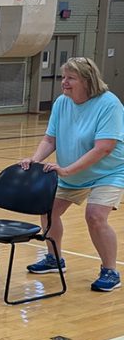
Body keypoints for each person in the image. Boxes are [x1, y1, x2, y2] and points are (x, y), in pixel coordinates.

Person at [19, 57, 124, 292]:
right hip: (73, 171)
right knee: (48, 210)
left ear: (87, 80)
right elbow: (50, 139)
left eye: (70, 78)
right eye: (63, 77)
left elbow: (104, 147)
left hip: (107, 172)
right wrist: (35, 160)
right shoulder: (62, 103)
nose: (64, 82)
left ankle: (110, 271)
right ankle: (54, 259)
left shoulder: (109, 104)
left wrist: (67, 170)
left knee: (95, 215)